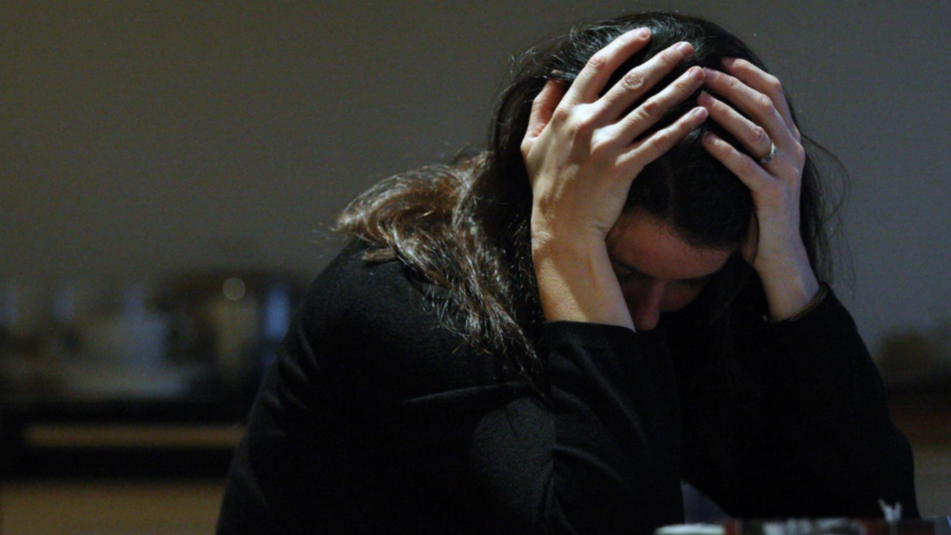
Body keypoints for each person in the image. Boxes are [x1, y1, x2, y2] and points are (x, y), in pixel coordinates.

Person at [216, 11, 918, 534]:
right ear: (541, 203)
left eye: (687, 283)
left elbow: (870, 514)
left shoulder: (699, 296)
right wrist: (566, 241)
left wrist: (786, 266)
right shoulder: (401, 297)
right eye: (621, 270)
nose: (647, 315)